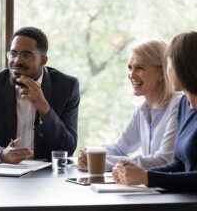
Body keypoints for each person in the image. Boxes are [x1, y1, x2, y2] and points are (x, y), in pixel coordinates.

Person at [0, 26, 80, 164]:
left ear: (43, 60)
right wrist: (2, 154)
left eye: (26, 55)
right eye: (13, 53)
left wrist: (45, 109)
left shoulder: (66, 87)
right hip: (3, 174)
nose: (17, 60)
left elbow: (67, 148)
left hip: (46, 176)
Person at [78, 40, 181, 171]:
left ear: (161, 73)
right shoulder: (142, 111)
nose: (131, 75)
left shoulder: (178, 106)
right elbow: (119, 148)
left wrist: (98, 161)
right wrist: (90, 153)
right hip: (151, 188)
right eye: (130, 68)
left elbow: (163, 161)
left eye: (140, 68)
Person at [113, 31, 197, 191]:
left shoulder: (177, 103)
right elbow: (179, 164)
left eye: (169, 63)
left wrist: (147, 177)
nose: (167, 70)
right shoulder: (184, 107)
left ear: (183, 65)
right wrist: (138, 174)